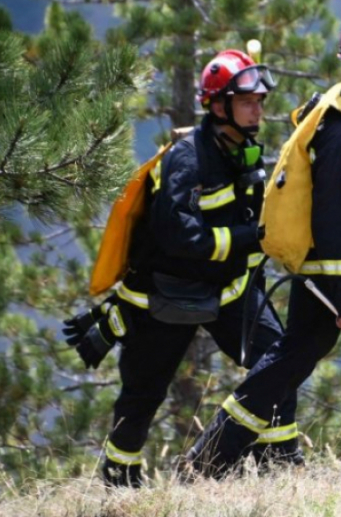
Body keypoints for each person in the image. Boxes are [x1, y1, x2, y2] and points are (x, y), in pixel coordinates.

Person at [186, 4, 341, 476]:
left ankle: (206, 460)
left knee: (285, 366)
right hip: (340, 269)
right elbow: (334, 220)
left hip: (340, 267)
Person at [63, 49, 301, 488]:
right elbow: (180, 238)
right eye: (248, 101)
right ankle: (120, 485)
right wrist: (252, 237)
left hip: (230, 292)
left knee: (280, 364)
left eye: (261, 102)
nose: (258, 110)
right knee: (142, 396)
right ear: (218, 105)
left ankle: (281, 464)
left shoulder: (242, 150)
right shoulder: (186, 160)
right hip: (167, 297)